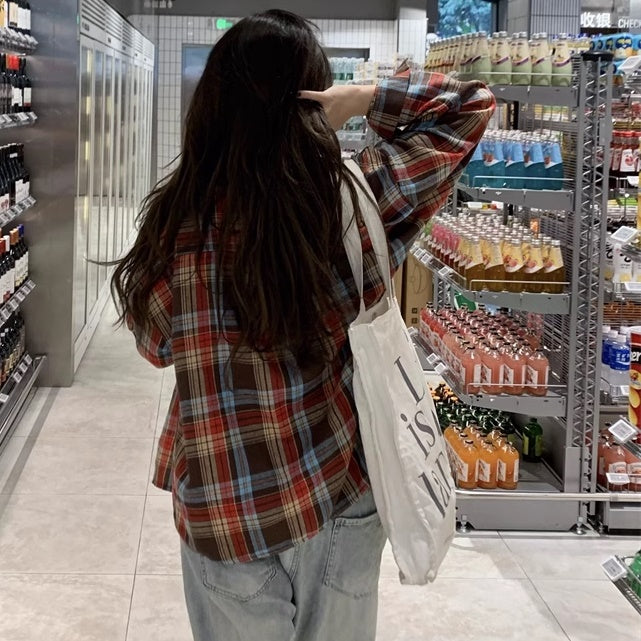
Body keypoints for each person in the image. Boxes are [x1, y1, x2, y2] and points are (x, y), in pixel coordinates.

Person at [112, 9, 494, 641]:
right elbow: (470, 107)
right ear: (313, 100)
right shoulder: (357, 198)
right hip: (337, 492)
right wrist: (365, 97)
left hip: (225, 502)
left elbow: (155, 343)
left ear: (213, 106)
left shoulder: (181, 222)